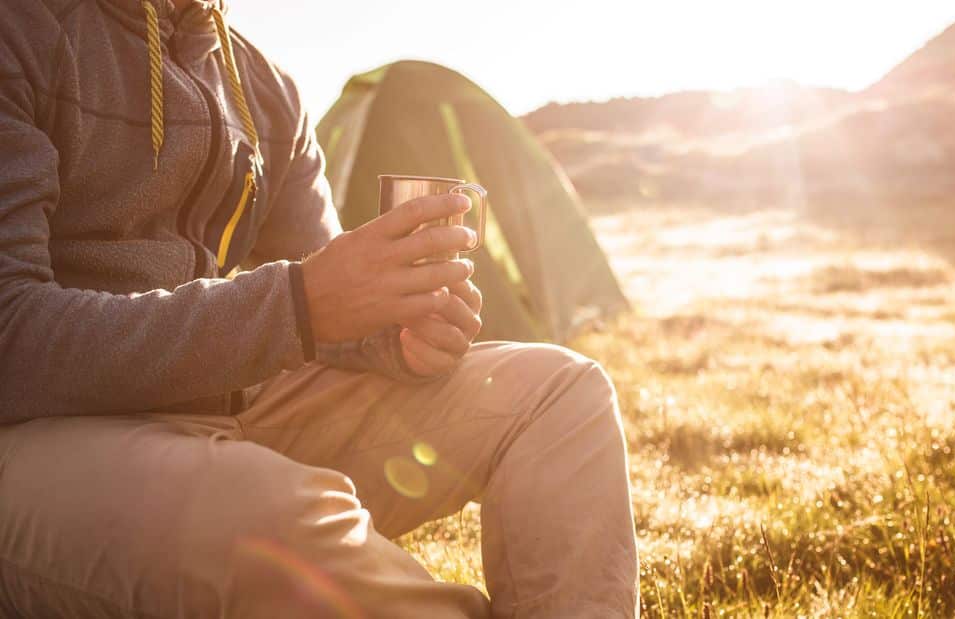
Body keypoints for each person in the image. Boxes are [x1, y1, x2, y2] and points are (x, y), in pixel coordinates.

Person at [0, 0, 639, 616]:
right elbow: (12, 338)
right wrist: (297, 304)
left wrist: (391, 335)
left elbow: (325, 300)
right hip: (43, 437)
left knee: (561, 394)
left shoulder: (264, 86)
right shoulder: (21, 30)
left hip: (232, 408)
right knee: (277, 532)